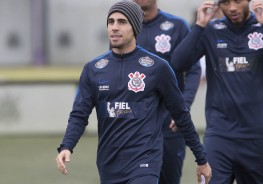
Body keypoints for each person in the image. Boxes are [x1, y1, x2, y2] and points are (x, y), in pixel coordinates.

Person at [55, 1, 212, 184]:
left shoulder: (157, 67)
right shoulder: (93, 69)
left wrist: (201, 159)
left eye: (122, 22)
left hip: (145, 161)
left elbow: (181, 115)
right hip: (109, 162)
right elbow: (79, 114)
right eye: (111, 22)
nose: (114, 27)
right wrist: (67, 146)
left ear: (135, 27)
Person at [171, 0, 263, 183]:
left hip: (259, 137)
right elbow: (178, 63)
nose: (232, 8)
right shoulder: (211, 31)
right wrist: (199, 26)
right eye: (225, 2)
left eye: (237, 1)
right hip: (219, 137)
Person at [133, 0, 202, 183]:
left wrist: (183, 108)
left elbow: (194, 69)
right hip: (134, 126)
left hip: (169, 125)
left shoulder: (176, 26)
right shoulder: (124, 27)